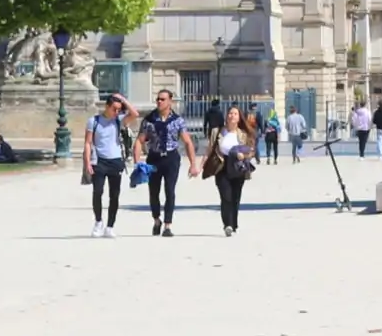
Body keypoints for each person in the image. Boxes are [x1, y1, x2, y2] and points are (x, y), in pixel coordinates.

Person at [134, 89, 199, 238]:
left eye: (163, 99)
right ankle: (157, 220)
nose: (159, 102)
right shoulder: (149, 120)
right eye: (158, 99)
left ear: (170, 101)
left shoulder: (177, 120)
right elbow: (139, 141)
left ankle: (167, 225)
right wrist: (138, 163)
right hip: (154, 158)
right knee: (154, 192)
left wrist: (193, 164)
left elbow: (187, 142)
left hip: (171, 158)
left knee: (170, 191)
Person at [83, 91, 139, 238]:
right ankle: (98, 222)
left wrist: (123, 100)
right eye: (114, 108)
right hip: (99, 161)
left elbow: (135, 114)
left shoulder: (118, 120)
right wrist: (87, 162)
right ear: (106, 107)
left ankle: (110, 226)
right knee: (98, 192)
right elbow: (88, 143)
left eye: (118, 109)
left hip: (115, 161)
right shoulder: (94, 121)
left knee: (114, 195)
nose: (116, 112)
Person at [203, 104, 259, 234]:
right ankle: (227, 224)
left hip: (238, 166)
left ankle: (233, 223)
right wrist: (200, 165)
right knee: (225, 196)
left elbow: (251, 151)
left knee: (235, 197)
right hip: (222, 165)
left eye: (235, 114)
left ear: (239, 118)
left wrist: (243, 156)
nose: (231, 116)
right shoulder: (217, 132)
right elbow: (209, 149)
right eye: (230, 113)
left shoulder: (244, 134)